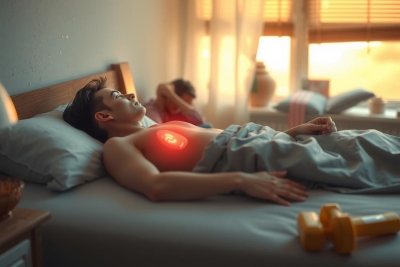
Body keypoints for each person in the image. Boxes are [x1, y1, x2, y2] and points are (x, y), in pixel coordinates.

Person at [63, 77, 400, 206]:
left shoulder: (149, 127)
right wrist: (242, 181)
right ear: (104, 118)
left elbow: (237, 142)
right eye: (118, 95)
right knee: (369, 154)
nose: (131, 94)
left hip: (263, 143)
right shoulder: (117, 147)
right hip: (254, 158)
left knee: (367, 139)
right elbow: (156, 186)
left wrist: (297, 131)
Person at [143, 79, 212, 128]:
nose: (179, 107)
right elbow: (156, 130)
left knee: (206, 126)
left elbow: (201, 120)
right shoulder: (151, 107)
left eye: (185, 103)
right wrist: (171, 95)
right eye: (179, 100)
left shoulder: (180, 112)